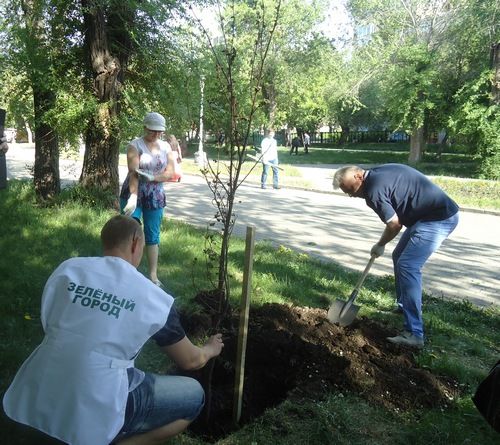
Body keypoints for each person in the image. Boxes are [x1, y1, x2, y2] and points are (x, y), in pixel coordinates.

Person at [3, 215, 224, 445]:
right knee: (194, 396)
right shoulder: (153, 298)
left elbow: (49, 323)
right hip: (97, 397)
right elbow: (191, 361)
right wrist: (210, 349)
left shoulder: (68, 269)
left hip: (43, 382)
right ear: (136, 243)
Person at [332, 164, 459, 348]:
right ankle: (404, 307)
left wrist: (380, 244)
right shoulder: (377, 173)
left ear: (359, 176)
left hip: (437, 218)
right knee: (399, 256)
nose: (351, 195)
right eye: (347, 193)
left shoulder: (373, 190)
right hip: (426, 216)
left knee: (408, 266)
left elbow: (394, 224)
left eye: (351, 190)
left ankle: (414, 334)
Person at [120, 112, 176, 287]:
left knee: (152, 234)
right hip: (134, 191)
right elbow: (134, 172)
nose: (156, 134)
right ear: (145, 127)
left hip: (155, 195)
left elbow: (170, 172)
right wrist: (133, 196)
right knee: (130, 231)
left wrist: (153, 178)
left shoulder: (166, 147)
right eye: (153, 130)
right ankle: (126, 272)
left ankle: (153, 275)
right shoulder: (135, 145)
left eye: (159, 131)